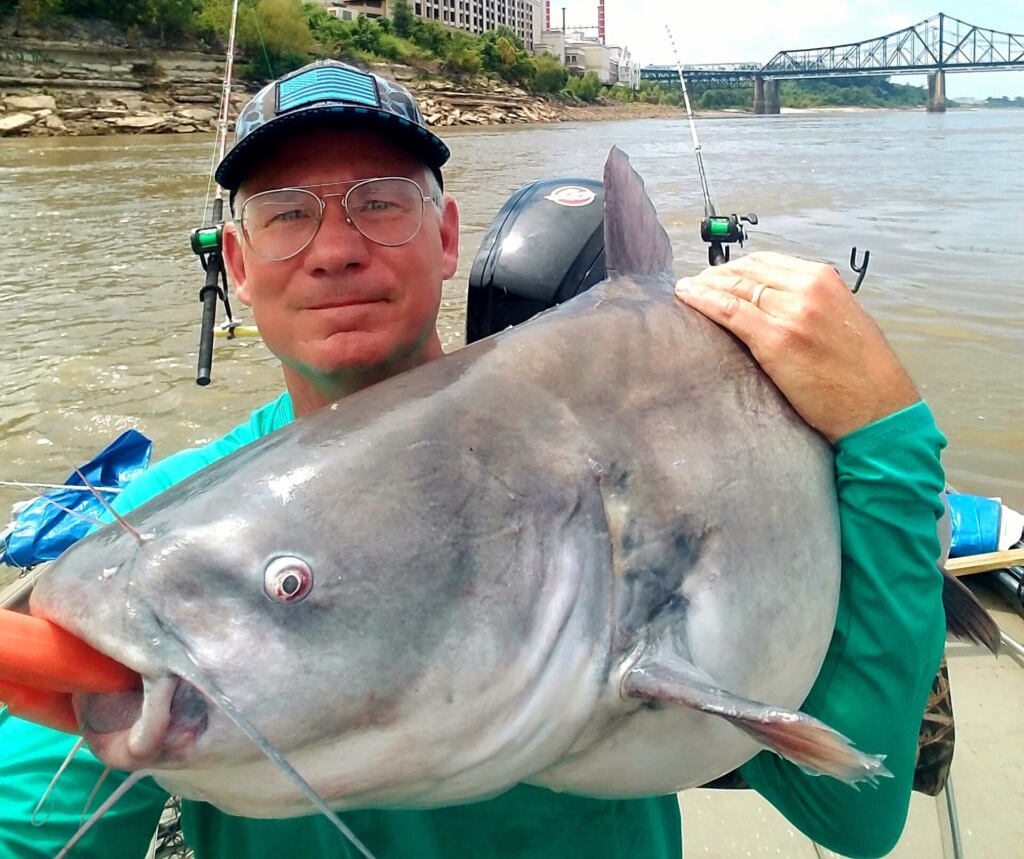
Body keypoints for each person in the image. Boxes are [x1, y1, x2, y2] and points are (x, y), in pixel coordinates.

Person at [0, 60, 946, 859]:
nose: (334, 248)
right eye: (285, 214)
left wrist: (886, 429)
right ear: (237, 267)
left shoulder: (613, 454)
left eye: (381, 204)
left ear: (448, 238)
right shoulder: (156, 536)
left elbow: (854, 812)